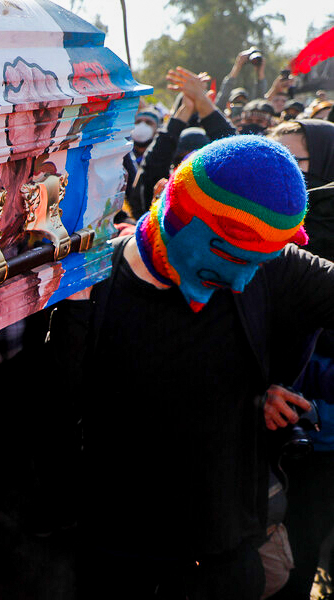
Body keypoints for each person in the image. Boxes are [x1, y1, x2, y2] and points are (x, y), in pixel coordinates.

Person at [51, 135, 334, 598]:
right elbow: (51, 411)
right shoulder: (92, 283)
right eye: (234, 259)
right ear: (183, 224)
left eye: (259, 263)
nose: (243, 280)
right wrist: (72, 311)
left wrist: (273, 387)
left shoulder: (270, 265)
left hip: (224, 557)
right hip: (117, 555)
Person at [266, 119, 334, 600]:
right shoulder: (266, 237)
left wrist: (303, 382)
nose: (285, 176)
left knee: (303, 550)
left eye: (296, 163)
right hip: (272, 434)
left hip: (323, 439)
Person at [128, 67, 233, 218]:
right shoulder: (164, 201)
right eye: (181, 161)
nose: (188, 169)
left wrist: (200, 101)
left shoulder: (223, 199)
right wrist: (195, 104)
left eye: (196, 162)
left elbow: (236, 152)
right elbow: (153, 166)